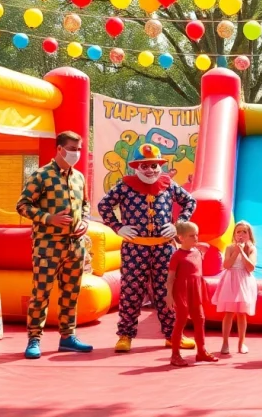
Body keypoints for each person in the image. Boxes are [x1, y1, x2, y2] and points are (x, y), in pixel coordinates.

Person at [97, 143, 198, 353]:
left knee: (166, 290)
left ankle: (173, 335)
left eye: (154, 165)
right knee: (131, 291)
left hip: (163, 249)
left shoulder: (168, 184)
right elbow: (103, 205)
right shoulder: (125, 186)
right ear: (136, 167)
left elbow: (190, 201)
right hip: (135, 249)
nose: (150, 170)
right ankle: (125, 335)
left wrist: (178, 225)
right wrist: (118, 227)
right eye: (145, 166)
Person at [16, 131, 93, 359]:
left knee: (71, 292)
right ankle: (34, 339)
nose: (76, 153)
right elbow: (22, 205)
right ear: (59, 149)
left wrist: (85, 221)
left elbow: (86, 204)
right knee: (41, 292)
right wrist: (50, 218)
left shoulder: (78, 177)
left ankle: (68, 337)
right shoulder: (41, 176)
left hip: (75, 245)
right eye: (72, 149)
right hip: (47, 245)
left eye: (79, 149)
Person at [166, 222, 218, 367]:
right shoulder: (177, 255)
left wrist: (194, 240)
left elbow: (206, 246)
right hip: (182, 290)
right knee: (181, 320)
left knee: (200, 319)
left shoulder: (198, 251)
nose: (196, 238)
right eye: (191, 235)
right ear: (181, 238)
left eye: (197, 234)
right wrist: (169, 295)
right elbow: (170, 278)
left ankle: (201, 351)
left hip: (196, 290)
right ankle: (175, 355)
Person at [212, 220, 257, 355]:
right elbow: (226, 265)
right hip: (230, 281)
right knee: (228, 313)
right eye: (238, 232)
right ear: (234, 234)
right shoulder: (230, 248)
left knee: (242, 314)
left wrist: (243, 252)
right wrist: (236, 251)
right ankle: (225, 342)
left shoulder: (252, 249)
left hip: (244, 281)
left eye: (244, 231)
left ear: (249, 234)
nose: (241, 234)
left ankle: (241, 343)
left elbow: (250, 268)